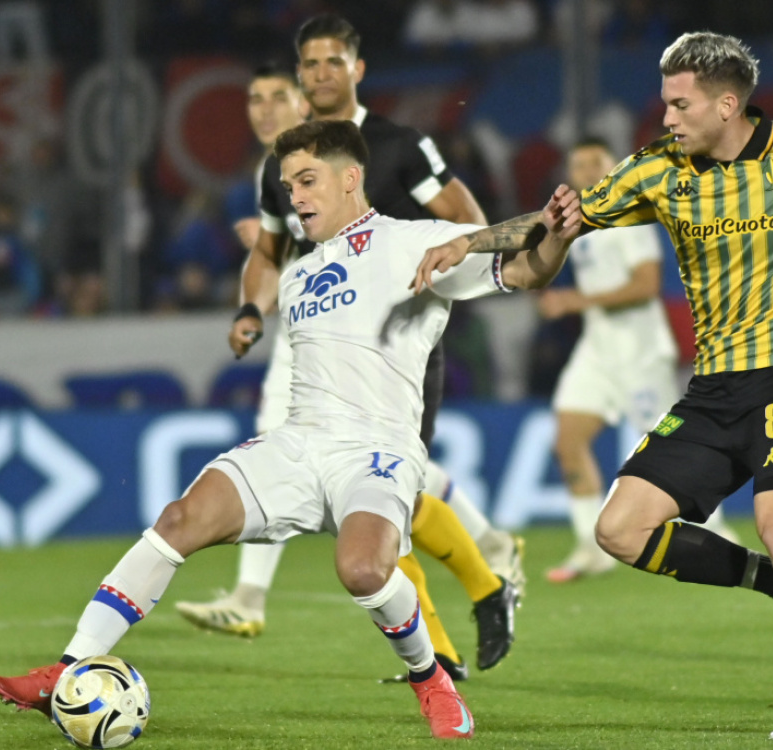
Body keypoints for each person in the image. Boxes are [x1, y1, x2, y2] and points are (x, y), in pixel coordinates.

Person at [412, 31, 773, 740]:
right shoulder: (659, 170)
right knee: (619, 530)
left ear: (726, 105)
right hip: (712, 390)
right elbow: (558, 220)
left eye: (679, 105)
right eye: (665, 103)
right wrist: (466, 241)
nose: (665, 117)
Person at [0, 119, 581, 741]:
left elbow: (527, 269)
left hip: (377, 448)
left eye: (307, 180)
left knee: (363, 570)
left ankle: (431, 679)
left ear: (350, 179)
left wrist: (558, 234)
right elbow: (274, 280)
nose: (294, 195)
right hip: (298, 443)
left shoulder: (414, 240)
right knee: (179, 521)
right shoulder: (299, 276)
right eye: (289, 184)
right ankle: (67, 669)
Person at [175, 15, 524, 679]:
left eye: (332, 61)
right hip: (315, 335)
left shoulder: (399, 145)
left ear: (358, 69)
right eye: (309, 64)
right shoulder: (287, 162)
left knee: (390, 493)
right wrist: (251, 307)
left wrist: (449, 278)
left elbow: (468, 221)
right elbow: (271, 252)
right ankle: (451, 633)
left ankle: (479, 592)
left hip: (395, 338)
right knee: (362, 499)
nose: (320, 74)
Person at [540, 137, 738, 584]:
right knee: (567, 442)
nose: (587, 172)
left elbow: (647, 285)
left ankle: (716, 527)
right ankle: (590, 548)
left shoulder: (631, 217)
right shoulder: (581, 225)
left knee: (674, 447)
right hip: (597, 351)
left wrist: (574, 301)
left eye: (595, 162)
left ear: (614, 166)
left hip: (641, 354)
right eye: (578, 165)